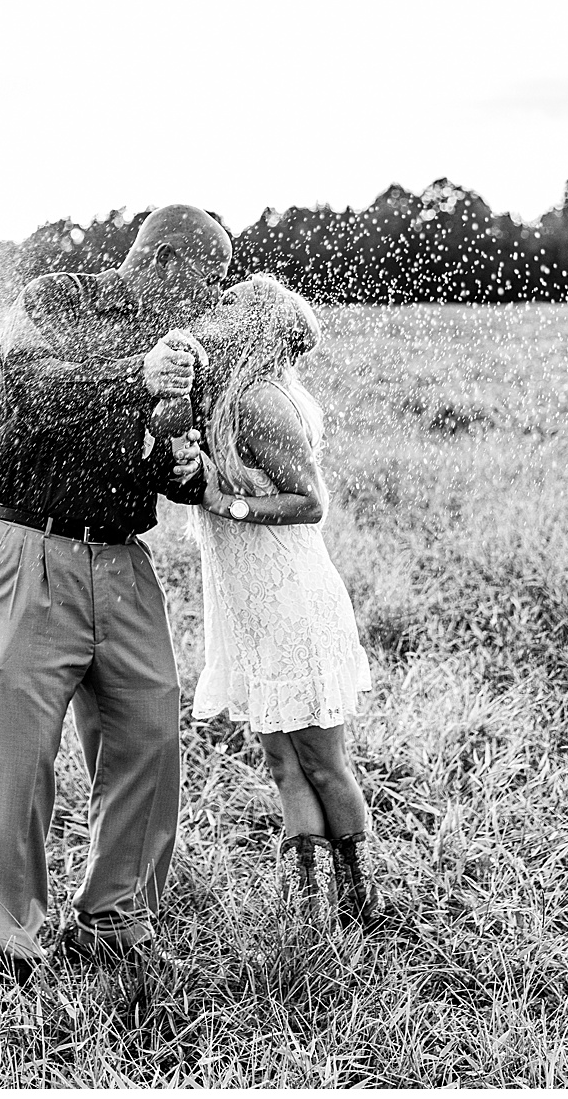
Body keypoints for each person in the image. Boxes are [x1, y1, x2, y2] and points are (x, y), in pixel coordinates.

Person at [0, 203, 232, 1000]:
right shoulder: (57, 298)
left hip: (124, 559)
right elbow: (32, 389)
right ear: (168, 261)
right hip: (29, 546)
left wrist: (181, 462)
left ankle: (115, 919)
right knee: (17, 755)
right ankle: (13, 942)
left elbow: (169, 468)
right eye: (208, 277)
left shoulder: (188, 353)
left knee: (150, 730)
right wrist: (136, 377)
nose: (212, 297)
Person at [188, 274, 378, 923]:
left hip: (291, 598)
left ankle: (357, 897)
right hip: (250, 604)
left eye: (235, 299)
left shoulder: (262, 401)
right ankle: (306, 906)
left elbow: (309, 502)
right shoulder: (225, 392)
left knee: (323, 762)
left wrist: (225, 502)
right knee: (279, 760)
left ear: (260, 323)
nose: (220, 302)